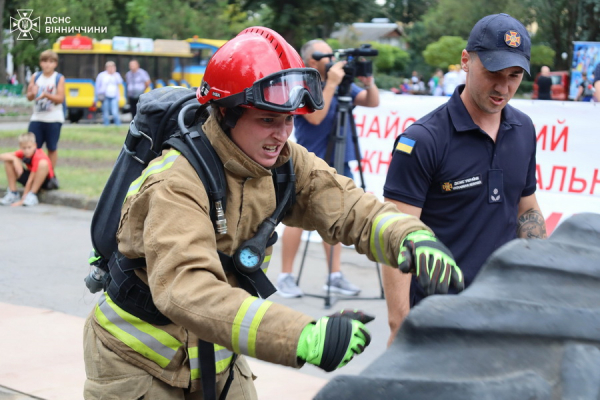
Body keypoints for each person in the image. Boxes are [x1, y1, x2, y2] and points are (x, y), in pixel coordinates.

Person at [83, 27, 463, 399]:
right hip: (137, 363)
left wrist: (409, 236)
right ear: (226, 113)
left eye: (289, 120)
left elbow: (347, 205)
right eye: (267, 119)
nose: (282, 135)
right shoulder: (175, 182)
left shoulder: (283, 161)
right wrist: (300, 336)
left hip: (217, 357)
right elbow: (188, 290)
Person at [381, 13, 547, 346]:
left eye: (514, 76)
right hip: (438, 314)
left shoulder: (524, 128)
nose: (503, 87)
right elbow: (395, 237)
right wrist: (399, 323)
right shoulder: (423, 140)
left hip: (503, 309)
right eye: (493, 73)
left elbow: (526, 208)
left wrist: (541, 281)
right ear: (465, 61)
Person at [278, 38, 380, 298]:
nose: (332, 59)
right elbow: (315, 116)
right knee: (297, 218)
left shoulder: (343, 83)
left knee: (333, 216)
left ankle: (334, 276)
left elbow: (371, 102)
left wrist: (369, 83)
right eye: (326, 55)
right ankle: (286, 276)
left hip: (340, 158)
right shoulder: (303, 84)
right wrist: (331, 83)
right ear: (313, 61)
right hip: (311, 161)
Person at [26, 49, 65, 171]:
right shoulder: (35, 77)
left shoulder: (58, 78)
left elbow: (60, 98)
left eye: (51, 61)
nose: (47, 64)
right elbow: (29, 97)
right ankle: (34, 172)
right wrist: (32, 93)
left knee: (52, 147)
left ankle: (50, 174)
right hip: (37, 117)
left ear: (55, 64)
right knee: (32, 146)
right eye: (45, 61)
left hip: (53, 118)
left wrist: (46, 95)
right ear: (40, 63)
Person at [0, 132, 57, 207]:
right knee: (8, 161)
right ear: (20, 147)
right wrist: (14, 159)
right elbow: (2, 156)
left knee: (43, 163)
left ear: (35, 146)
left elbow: (30, 180)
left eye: (29, 147)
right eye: (24, 148)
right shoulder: (23, 153)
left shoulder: (38, 156)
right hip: (31, 177)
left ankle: (32, 194)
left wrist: (22, 200)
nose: (27, 150)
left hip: (46, 182)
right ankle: (13, 193)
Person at [95, 61, 123, 126]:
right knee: (105, 112)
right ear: (106, 68)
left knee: (115, 112)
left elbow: (120, 82)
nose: (111, 68)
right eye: (109, 67)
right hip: (105, 96)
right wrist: (97, 96)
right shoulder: (102, 75)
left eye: (112, 67)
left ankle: (118, 125)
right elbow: (97, 86)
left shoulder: (116, 75)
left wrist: (114, 73)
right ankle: (106, 125)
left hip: (114, 96)